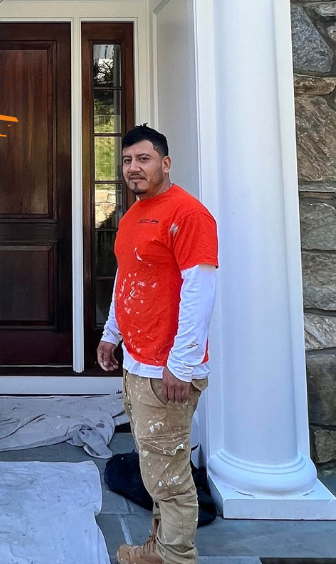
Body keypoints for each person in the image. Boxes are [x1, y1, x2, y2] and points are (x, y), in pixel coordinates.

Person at [98, 124, 218, 564]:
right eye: (128, 160)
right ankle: (157, 549)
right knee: (155, 468)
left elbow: (199, 291)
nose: (134, 168)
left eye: (144, 159)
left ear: (165, 163)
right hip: (139, 361)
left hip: (167, 369)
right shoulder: (132, 217)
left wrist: (180, 365)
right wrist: (112, 334)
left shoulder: (188, 214)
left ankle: (175, 558)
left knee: (169, 477)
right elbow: (126, 280)